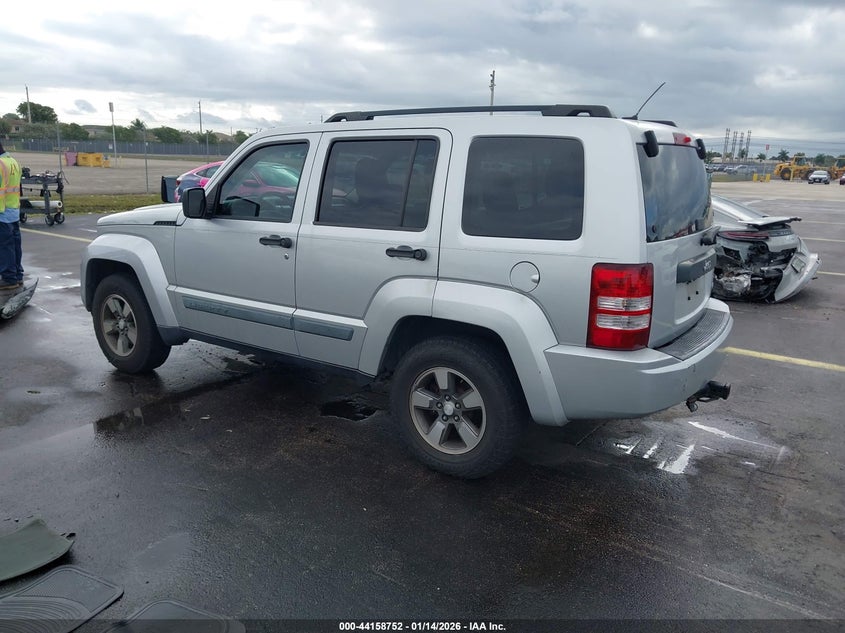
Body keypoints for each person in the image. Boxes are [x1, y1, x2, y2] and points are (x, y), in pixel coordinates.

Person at [0, 141, 24, 296]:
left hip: (2, 212)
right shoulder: (12, 162)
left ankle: (9, 278)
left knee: (5, 246)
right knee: (14, 245)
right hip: (13, 209)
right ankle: (17, 275)